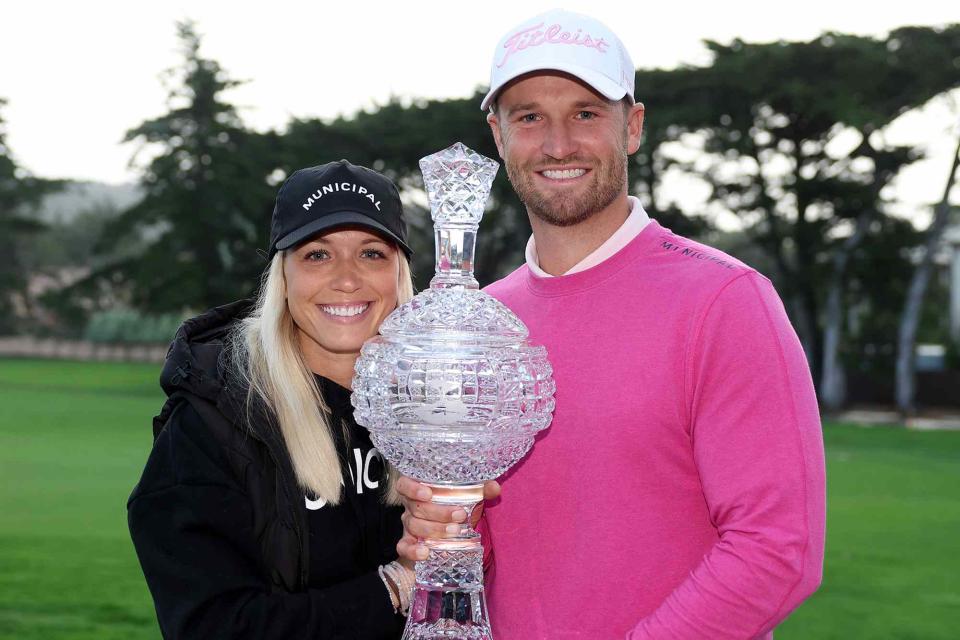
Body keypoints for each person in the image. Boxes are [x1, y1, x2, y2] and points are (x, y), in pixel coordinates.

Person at [396, 9, 826, 639]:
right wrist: (440, 528)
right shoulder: (480, 327)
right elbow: (492, 554)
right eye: (530, 116)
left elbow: (778, 552)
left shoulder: (725, 300)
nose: (558, 143)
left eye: (586, 113)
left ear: (633, 127)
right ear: (498, 134)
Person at [128, 160, 418, 639]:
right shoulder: (212, 424)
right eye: (317, 255)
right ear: (283, 276)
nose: (347, 279)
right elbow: (212, 626)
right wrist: (396, 587)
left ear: (399, 274)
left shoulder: (444, 409)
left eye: (372, 253)